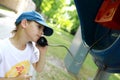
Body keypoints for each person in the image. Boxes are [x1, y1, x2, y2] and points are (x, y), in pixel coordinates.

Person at [0, 11, 53, 80]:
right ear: (24, 23)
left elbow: (38, 69)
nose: (42, 32)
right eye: (39, 27)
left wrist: (42, 53)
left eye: (43, 30)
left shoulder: (30, 48)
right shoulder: (2, 47)